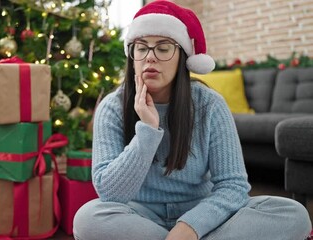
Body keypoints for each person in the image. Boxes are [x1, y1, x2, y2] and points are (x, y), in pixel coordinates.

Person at [73, 1, 312, 239]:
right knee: (88, 219)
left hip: (204, 215)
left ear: (183, 56)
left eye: (163, 48)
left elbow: (233, 187)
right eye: (141, 47)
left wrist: (190, 228)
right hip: (140, 216)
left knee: (293, 214)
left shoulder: (209, 104)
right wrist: (147, 130)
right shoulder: (112, 108)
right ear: (131, 54)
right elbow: (110, 194)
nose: (150, 58)